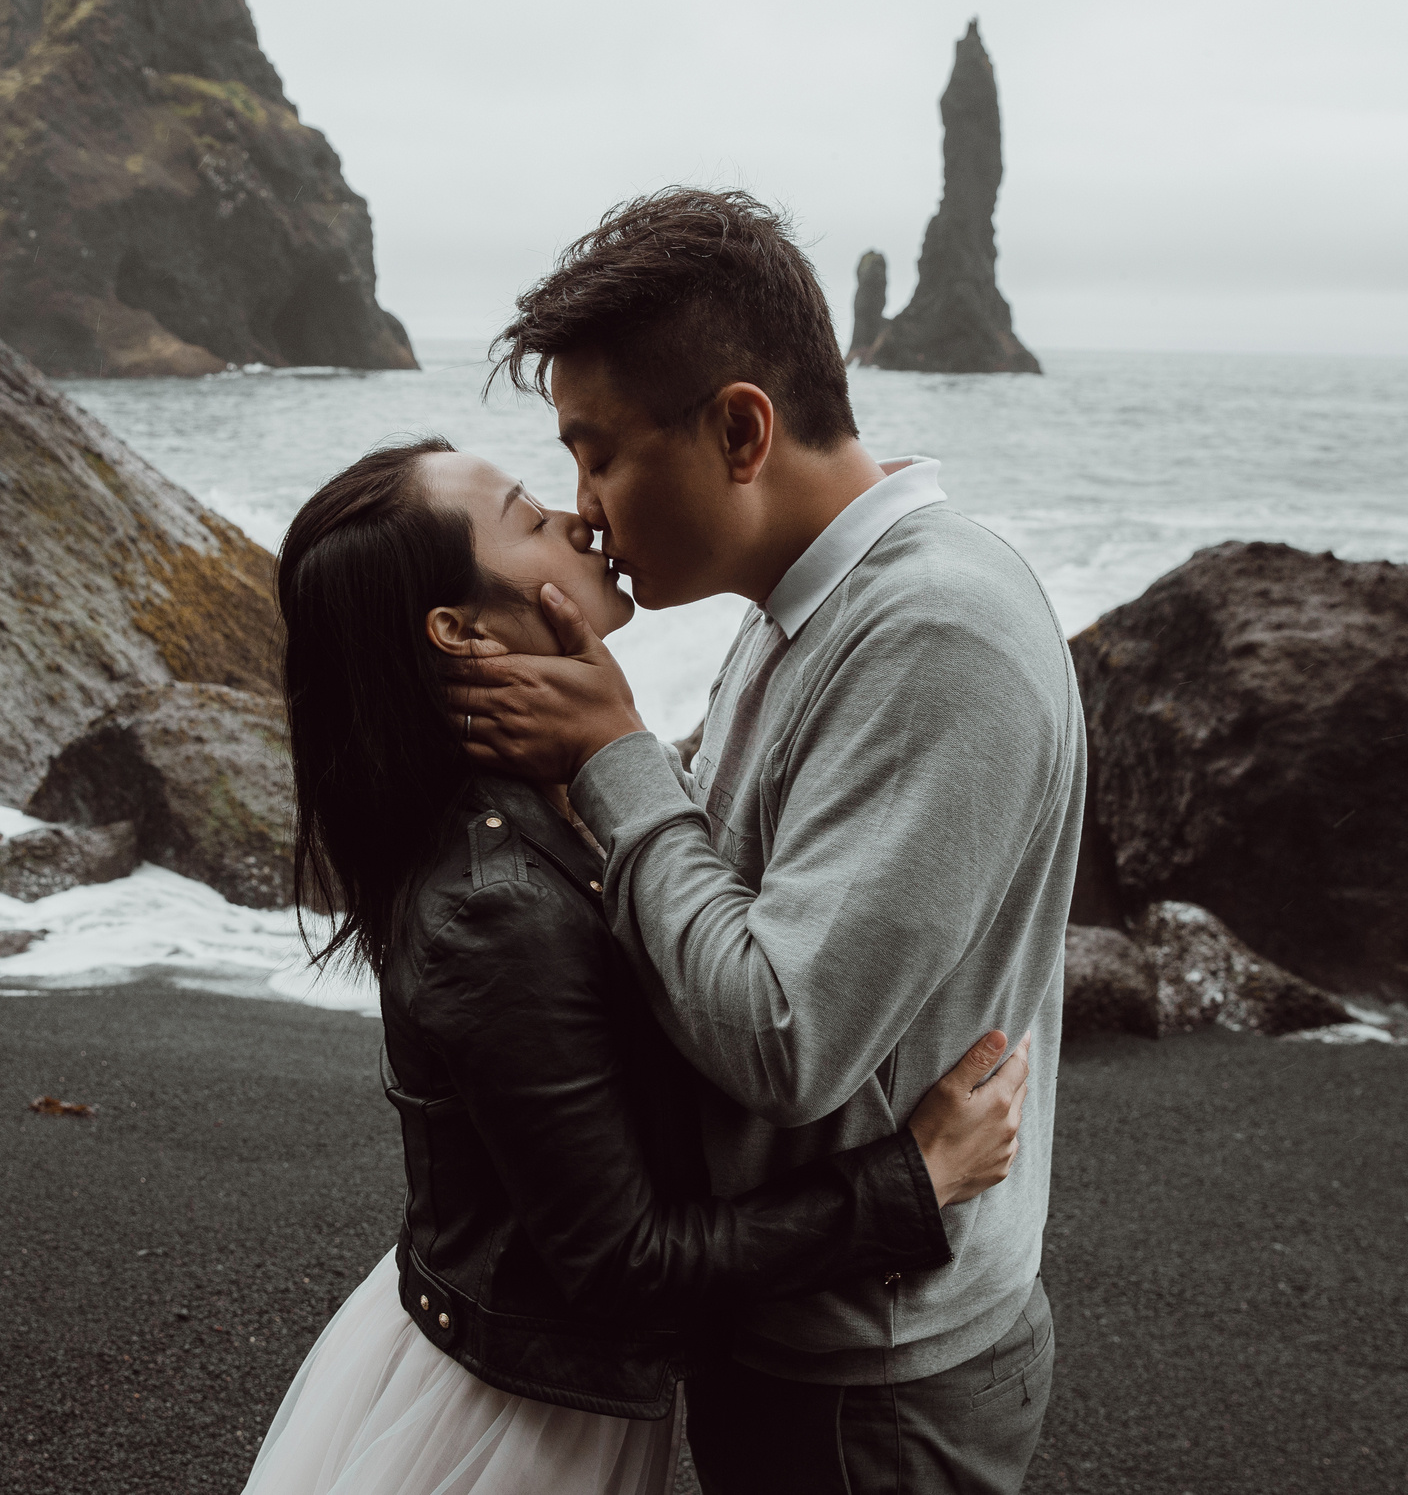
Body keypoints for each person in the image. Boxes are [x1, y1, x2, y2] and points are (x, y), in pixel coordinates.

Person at [241, 436, 1036, 1495]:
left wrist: (618, 750)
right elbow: (623, 1263)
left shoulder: (545, 810)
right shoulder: (496, 908)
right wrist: (912, 1182)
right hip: (510, 1434)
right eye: (528, 518)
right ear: (461, 630)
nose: (578, 518)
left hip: (546, 1392)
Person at [448, 188, 1087, 1495]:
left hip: (877, 1375)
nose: (587, 504)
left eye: (601, 451)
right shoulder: (812, 597)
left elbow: (782, 1035)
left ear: (740, 428)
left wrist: (615, 756)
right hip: (810, 1318)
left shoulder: (933, 635)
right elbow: (737, 851)